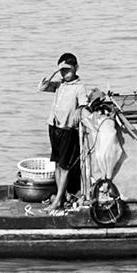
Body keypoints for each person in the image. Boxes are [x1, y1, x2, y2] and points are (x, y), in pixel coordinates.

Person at [42, 52, 87, 213]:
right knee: (56, 164)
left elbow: (83, 104)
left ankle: (59, 200)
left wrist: (78, 110)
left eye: (68, 70)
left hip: (67, 129)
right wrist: (55, 71)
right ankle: (60, 196)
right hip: (53, 127)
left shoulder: (79, 87)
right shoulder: (59, 84)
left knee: (64, 166)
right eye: (62, 71)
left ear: (76, 69)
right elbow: (42, 86)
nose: (65, 74)